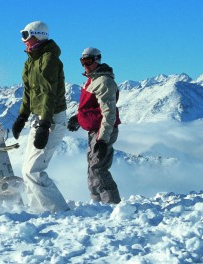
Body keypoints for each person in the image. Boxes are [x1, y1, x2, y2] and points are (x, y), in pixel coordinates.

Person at [11, 21, 70, 213]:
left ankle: (59, 211)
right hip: (40, 118)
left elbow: (48, 93)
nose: (23, 41)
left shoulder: (49, 59)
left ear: (38, 35)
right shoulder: (31, 60)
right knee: (26, 170)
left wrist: (45, 123)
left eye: (26, 35)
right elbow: (29, 93)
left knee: (33, 171)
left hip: (51, 118)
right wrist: (22, 117)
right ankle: (38, 210)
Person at [67, 47, 122, 204]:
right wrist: (79, 118)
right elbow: (93, 108)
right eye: (82, 61)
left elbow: (108, 113)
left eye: (88, 61)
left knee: (98, 168)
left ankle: (111, 204)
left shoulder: (104, 82)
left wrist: (103, 140)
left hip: (103, 131)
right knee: (93, 168)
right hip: (95, 131)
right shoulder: (92, 80)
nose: (85, 65)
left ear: (97, 60)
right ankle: (97, 204)